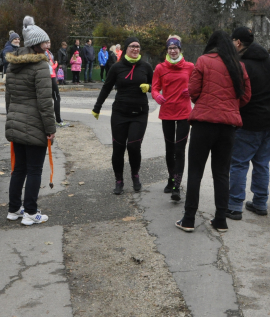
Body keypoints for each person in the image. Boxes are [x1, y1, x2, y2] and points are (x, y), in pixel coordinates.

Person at [176, 31, 251, 233]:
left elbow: (193, 90)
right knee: (221, 174)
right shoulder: (239, 66)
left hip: (203, 125)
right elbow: (245, 96)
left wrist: (203, 102)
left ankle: (189, 219)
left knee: (195, 173)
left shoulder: (203, 61)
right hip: (228, 128)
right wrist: (230, 107)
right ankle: (220, 220)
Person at [227, 27, 270, 219]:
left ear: (238, 43)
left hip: (249, 121)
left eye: (232, 41)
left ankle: (234, 205)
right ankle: (260, 203)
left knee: (239, 163)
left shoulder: (240, 64)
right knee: (262, 163)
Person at [5, 16, 56, 225]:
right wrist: (50, 128)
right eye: (45, 42)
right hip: (35, 125)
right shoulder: (41, 66)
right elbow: (45, 102)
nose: (47, 46)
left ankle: (14, 209)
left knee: (19, 169)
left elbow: (8, 97)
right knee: (35, 169)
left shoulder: (12, 65)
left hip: (16, 122)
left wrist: (13, 117)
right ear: (36, 44)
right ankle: (31, 212)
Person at [92, 37, 154, 194]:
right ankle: (119, 180)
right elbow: (106, 88)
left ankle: (135, 175)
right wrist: (97, 107)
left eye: (138, 46)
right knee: (118, 148)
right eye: (132, 46)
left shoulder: (146, 67)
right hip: (120, 113)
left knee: (133, 146)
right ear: (126, 48)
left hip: (139, 113)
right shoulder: (117, 67)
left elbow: (157, 87)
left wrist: (150, 87)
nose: (135, 49)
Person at [151, 35, 195, 201]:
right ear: (167, 50)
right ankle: (171, 179)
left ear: (180, 49)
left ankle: (176, 185)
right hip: (167, 112)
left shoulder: (190, 67)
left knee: (179, 150)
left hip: (184, 112)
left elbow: (198, 85)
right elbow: (154, 88)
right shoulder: (161, 68)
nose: (173, 51)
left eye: (175, 48)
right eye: (170, 48)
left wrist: (191, 89)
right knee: (169, 150)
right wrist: (156, 96)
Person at [45, 41, 67, 127]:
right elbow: (49, 66)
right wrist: (56, 64)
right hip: (50, 76)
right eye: (47, 42)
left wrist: (53, 65)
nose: (49, 44)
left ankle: (56, 119)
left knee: (55, 97)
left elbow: (51, 65)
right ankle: (58, 119)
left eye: (50, 42)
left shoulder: (49, 52)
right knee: (56, 97)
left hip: (53, 75)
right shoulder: (44, 53)